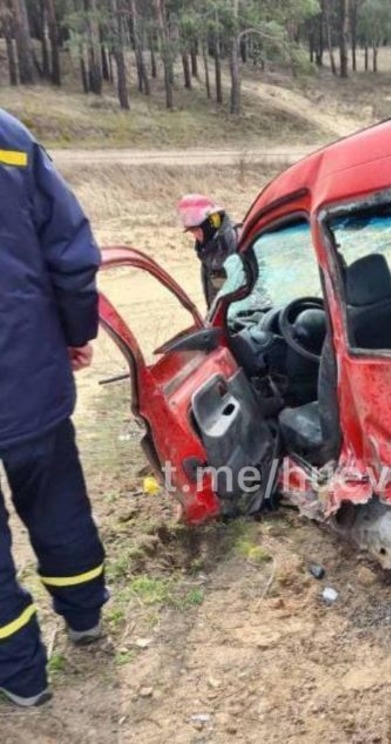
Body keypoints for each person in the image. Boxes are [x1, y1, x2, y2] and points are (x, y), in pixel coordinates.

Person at [0, 108, 108, 707]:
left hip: (29, 377)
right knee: (57, 503)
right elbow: (70, 252)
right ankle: (85, 617)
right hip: (28, 379)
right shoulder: (9, 139)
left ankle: (22, 679)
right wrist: (74, 331)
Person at [176, 194, 238, 307]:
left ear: (210, 223)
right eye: (192, 231)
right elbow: (217, 293)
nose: (196, 236)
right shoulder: (208, 250)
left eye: (197, 229)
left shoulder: (235, 242)